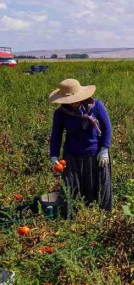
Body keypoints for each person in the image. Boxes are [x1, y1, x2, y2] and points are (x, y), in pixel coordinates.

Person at [48, 79, 113, 212]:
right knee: (71, 188)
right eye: (69, 100)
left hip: (95, 153)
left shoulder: (97, 106)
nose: (73, 102)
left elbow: (107, 127)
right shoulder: (60, 114)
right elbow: (56, 135)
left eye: (74, 98)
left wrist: (104, 149)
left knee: (99, 187)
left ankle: (103, 215)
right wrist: (54, 156)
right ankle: (73, 215)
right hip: (71, 155)